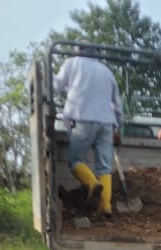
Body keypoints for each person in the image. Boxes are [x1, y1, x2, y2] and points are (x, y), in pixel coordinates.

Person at [53, 50, 124, 218]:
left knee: (75, 161)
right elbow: (118, 104)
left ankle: (92, 184)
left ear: (77, 52)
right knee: (104, 167)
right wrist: (117, 128)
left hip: (82, 118)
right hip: (106, 123)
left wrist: (41, 83)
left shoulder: (72, 63)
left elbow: (55, 86)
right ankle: (105, 207)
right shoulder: (106, 71)